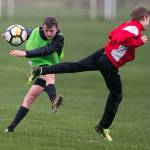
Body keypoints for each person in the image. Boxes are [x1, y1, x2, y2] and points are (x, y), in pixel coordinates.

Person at [9, 7, 150, 141]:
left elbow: (112, 35)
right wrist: (138, 41)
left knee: (73, 68)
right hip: (109, 62)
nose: (148, 22)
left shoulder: (128, 24)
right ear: (144, 17)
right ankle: (102, 127)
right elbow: (120, 38)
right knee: (117, 95)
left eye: (52, 31)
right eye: (148, 19)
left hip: (102, 53)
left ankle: (40, 73)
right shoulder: (134, 28)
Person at [5, 16, 64, 133]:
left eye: (51, 31)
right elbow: (23, 32)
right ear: (43, 28)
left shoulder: (59, 39)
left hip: (50, 64)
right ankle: (53, 100)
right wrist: (8, 34)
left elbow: (46, 50)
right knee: (49, 79)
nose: (48, 33)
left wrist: (25, 53)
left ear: (57, 29)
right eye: (46, 30)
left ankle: (11, 127)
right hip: (40, 64)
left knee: (30, 97)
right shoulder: (36, 32)